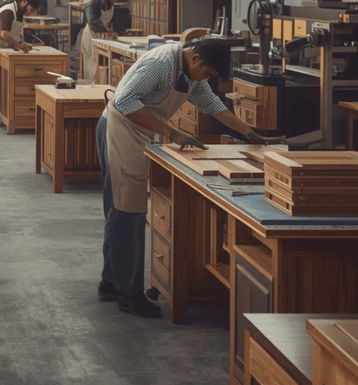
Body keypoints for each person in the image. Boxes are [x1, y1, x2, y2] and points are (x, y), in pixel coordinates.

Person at [95, 38, 281, 318]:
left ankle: (112, 281)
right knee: (127, 211)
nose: (204, 79)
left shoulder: (191, 74)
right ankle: (128, 294)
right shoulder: (160, 64)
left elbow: (214, 106)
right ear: (195, 59)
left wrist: (252, 135)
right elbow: (124, 101)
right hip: (120, 129)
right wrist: (172, 133)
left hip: (139, 132)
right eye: (205, 73)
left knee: (122, 210)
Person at [79, 0, 126, 82]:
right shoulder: (93, 3)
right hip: (91, 35)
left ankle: (102, 83)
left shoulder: (110, 6)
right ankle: (91, 86)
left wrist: (117, 31)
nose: (116, 0)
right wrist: (105, 29)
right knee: (92, 62)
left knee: (102, 63)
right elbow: (92, 21)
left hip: (102, 35)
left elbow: (111, 21)